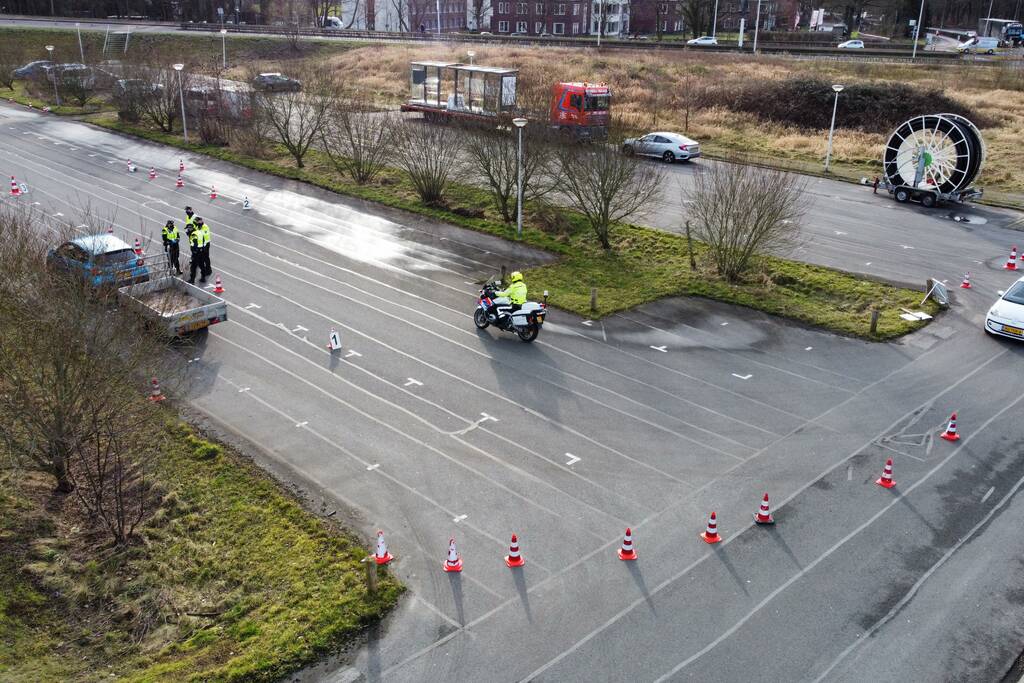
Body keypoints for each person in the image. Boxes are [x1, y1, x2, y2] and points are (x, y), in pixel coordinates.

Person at [187, 217, 211, 284]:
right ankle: (203, 277)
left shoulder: (204, 227)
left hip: (200, 248)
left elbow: (196, 241)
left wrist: (195, 250)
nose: (197, 222)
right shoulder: (198, 229)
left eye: (198, 221)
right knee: (202, 264)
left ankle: (192, 280)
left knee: (194, 266)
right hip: (201, 248)